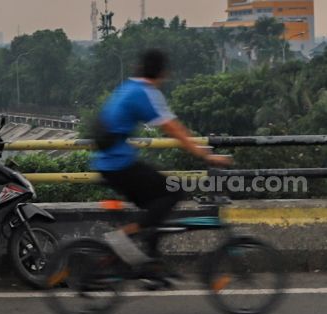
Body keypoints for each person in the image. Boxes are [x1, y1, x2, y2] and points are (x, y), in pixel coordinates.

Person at [93, 49, 231, 266]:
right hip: (118, 164)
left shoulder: (129, 86)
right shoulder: (145, 92)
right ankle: (122, 238)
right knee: (173, 191)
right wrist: (208, 156)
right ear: (163, 73)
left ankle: (151, 263)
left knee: (155, 208)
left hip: (110, 162)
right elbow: (175, 130)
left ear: (140, 68)